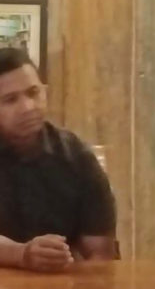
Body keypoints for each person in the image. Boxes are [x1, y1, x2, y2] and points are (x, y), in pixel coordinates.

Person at [0, 48, 117, 271]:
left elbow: (100, 253)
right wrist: (21, 254)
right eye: (10, 100)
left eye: (33, 93)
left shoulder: (77, 157)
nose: (28, 107)